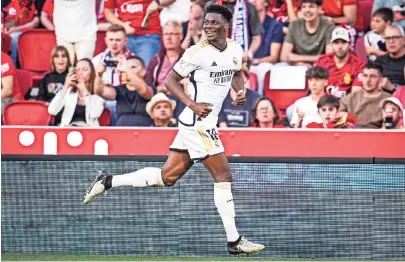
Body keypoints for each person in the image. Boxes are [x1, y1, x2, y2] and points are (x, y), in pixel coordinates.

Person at [84, 4, 265, 255]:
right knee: (223, 176)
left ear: (226, 26)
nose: (208, 26)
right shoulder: (196, 52)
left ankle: (108, 181)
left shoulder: (235, 49)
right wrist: (191, 103)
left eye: (214, 23)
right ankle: (234, 241)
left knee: (166, 178)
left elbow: (235, 72)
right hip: (197, 121)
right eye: (206, 22)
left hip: (203, 122)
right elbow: (170, 80)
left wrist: (239, 91)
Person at [95, 55, 156, 126]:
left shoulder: (150, 87)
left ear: (143, 72)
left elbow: (145, 91)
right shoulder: (119, 89)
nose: (127, 69)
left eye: (133, 67)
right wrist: (98, 75)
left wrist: (127, 69)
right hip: (121, 132)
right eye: (127, 67)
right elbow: (100, 91)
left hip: (145, 131)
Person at [48, 58, 105, 127]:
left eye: (84, 70)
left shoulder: (98, 93)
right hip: (68, 130)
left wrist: (84, 91)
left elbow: (95, 114)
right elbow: (52, 110)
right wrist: (65, 87)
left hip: (89, 132)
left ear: (92, 73)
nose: (80, 73)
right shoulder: (69, 91)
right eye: (77, 70)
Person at [280, 0, 335, 67]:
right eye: (304, 7)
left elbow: (329, 57)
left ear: (319, 8)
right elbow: (284, 56)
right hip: (299, 66)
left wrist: (298, 58)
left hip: (320, 66)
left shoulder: (328, 26)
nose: (307, 10)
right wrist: (298, 64)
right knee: (281, 66)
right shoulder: (295, 25)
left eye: (311, 6)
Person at [315, 27, 364, 98]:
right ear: (331, 45)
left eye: (343, 42)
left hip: (346, 104)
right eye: (336, 42)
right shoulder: (322, 61)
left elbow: (355, 95)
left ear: (350, 44)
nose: (340, 46)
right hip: (323, 103)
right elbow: (316, 88)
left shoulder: (358, 64)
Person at [339, 63, 391, 128]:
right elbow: (336, 122)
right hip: (352, 135)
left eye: (373, 76)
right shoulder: (348, 99)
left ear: (381, 79)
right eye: (365, 76)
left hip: (378, 136)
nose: (368, 80)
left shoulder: (388, 100)